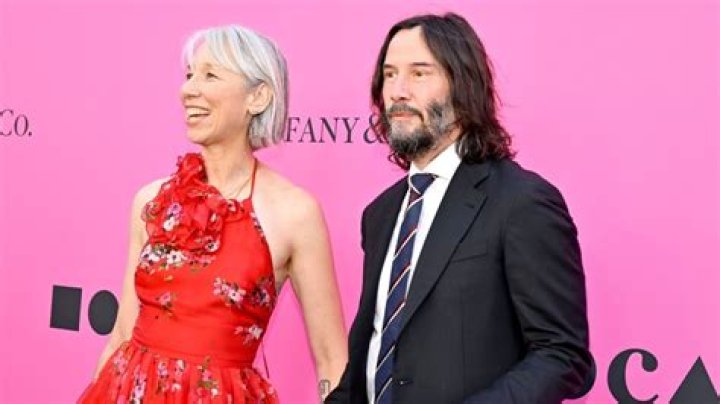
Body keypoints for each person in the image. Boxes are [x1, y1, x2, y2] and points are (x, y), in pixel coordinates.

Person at [327, 13, 592, 404]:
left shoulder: (522, 203)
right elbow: (373, 354)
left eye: (419, 73)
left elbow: (561, 354)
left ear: (463, 86)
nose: (398, 91)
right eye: (389, 74)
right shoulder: (380, 214)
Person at [79, 24, 347, 403]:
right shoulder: (151, 202)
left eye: (210, 75)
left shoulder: (294, 213)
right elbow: (122, 333)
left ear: (258, 96)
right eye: (189, 75)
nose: (189, 89)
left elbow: (333, 360)